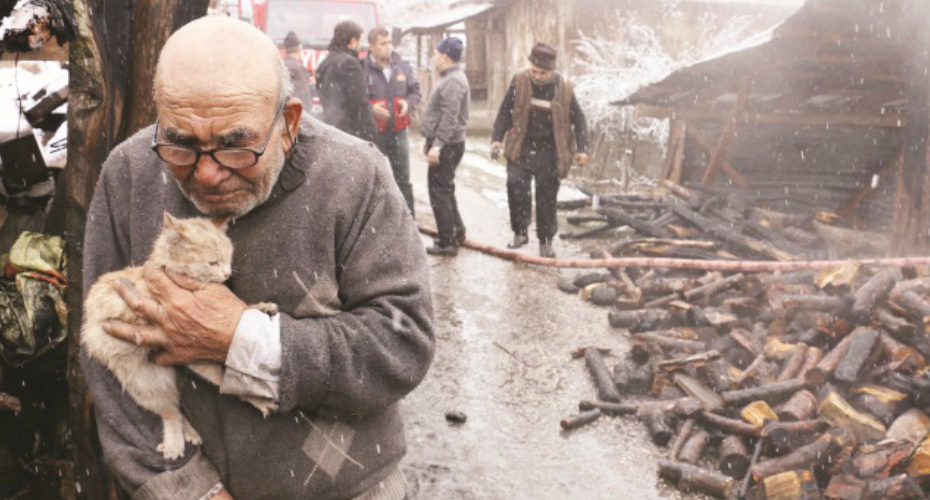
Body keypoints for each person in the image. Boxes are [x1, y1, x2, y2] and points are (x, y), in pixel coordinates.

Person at [81, 16, 433, 500]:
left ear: (288, 123)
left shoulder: (355, 175)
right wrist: (186, 490)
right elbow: (104, 357)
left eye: (234, 145)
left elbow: (402, 344)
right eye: (181, 143)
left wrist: (241, 339)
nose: (206, 174)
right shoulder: (129, 173)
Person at [491, 42, 589, 258]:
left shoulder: (564, 88)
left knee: (546, 196)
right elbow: (505, 111)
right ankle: (520, 232)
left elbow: (579, 120)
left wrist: (582, 148)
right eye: (533, 70)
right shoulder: (520, 80)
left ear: (552, 70)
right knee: (515, 185)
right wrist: (497, 138)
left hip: (551, 150)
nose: (536, 76)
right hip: (522, 146)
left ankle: (546, 241)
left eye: (542, 73)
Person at [419, 37, 469, 256]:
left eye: (436, 54)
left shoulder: (453, 82)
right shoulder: (450, 78)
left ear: (445, 56)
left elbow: (450, 118)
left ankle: (448, 242)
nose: (433, 58)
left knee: (439, 191)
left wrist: (437, 145)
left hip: (448, 145)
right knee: (445, 188)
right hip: (446, 143)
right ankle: (456, 231)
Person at [363, 26, 420, 216]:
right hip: (374, 134)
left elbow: (415, 91)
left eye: (389, 43)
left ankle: (408, 221)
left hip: (399, 132)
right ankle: (377, 221)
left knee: (403, 178)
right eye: (383, 44)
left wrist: (409, 103)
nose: (388, 47)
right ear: (371, 47)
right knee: (373, 179)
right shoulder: (362, 68)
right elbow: (355, 99)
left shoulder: (401, 66)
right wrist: (370, 109)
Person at [315, 20, 377, 142]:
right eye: (359, 42)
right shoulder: (350, 64)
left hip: (330, 131)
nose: (360, 47)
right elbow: (359, 104)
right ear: (352, 42)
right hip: (350, 134)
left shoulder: (324, 63)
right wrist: (371, 135)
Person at [282, 31, 313, 110]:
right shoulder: (299, 68)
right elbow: (304, 96)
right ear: (299, 49)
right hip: (293, 114)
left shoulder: (280, 65)